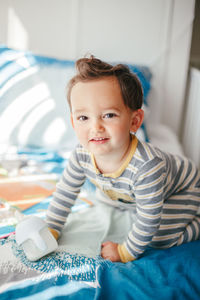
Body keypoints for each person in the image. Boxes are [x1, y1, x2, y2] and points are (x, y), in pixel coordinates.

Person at [46, 55, 200, 263]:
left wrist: (124, 252)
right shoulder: (81, 155)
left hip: (183, 188)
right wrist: (52, 228)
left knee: (160, 237)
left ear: (134, 121)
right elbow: (65, 192)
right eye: (84, 117)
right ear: (74, 123)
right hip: (139, 194)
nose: (96, 127)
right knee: (110, 201)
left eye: (109, 115)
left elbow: (148, 221)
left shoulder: (147, 166)